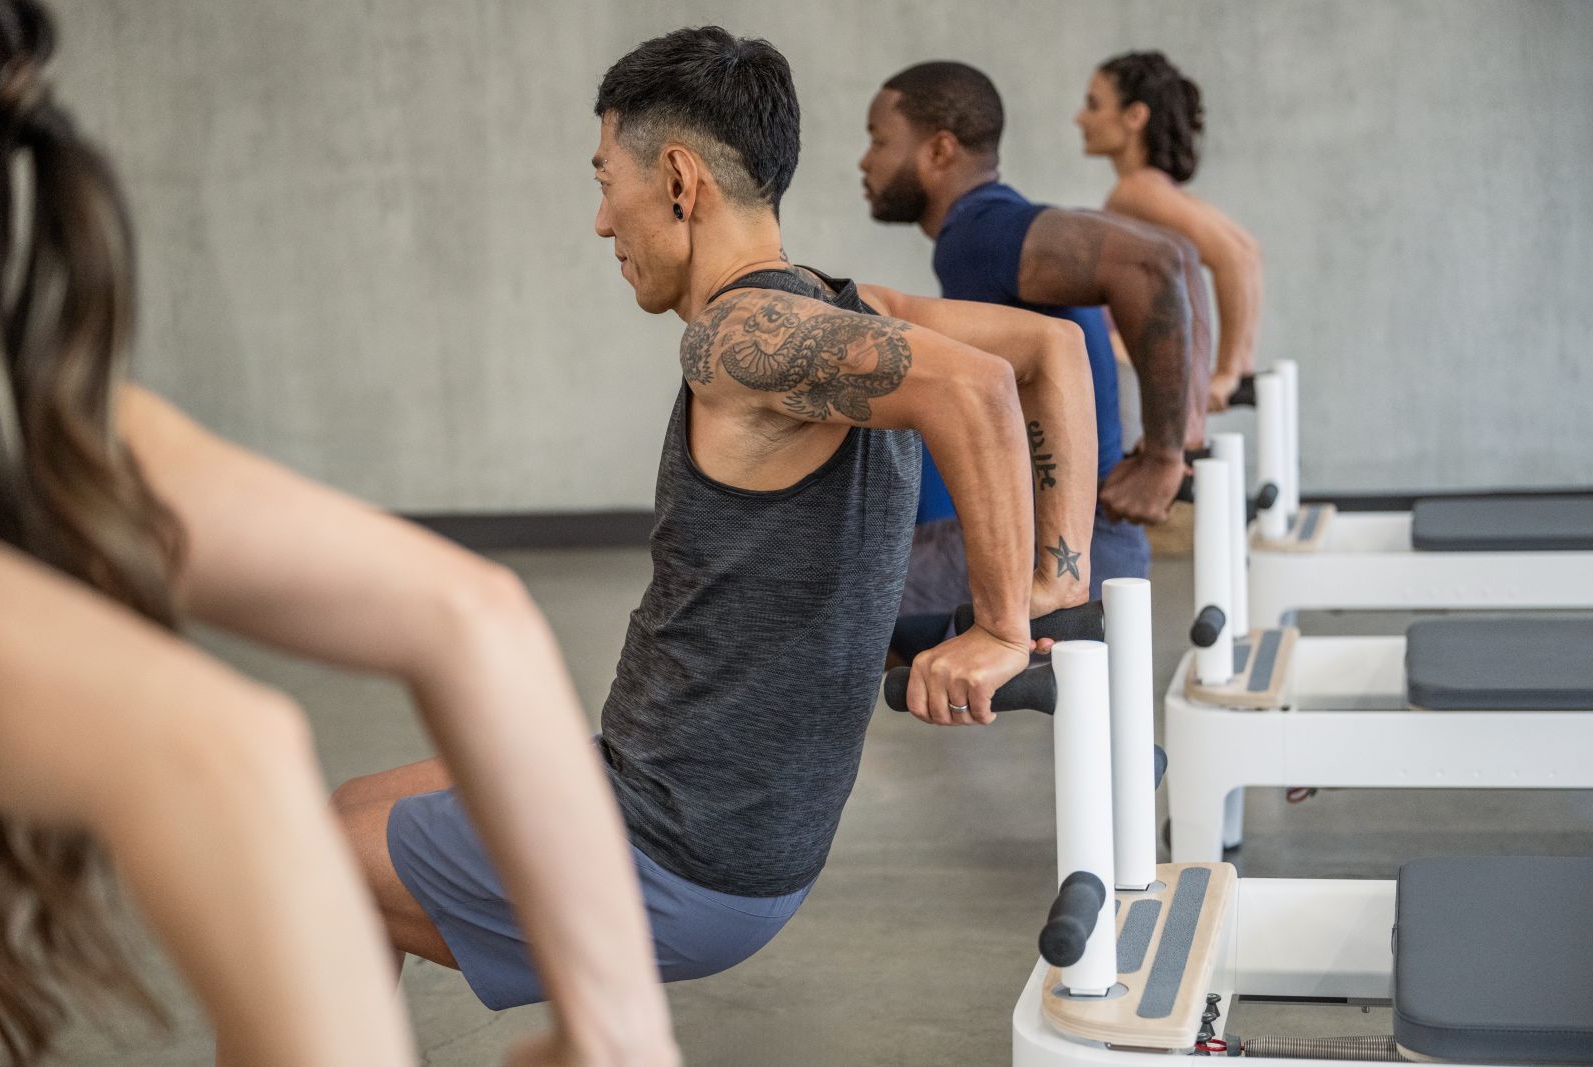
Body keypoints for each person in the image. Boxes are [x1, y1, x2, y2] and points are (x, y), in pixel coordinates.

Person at [337, 24, 1099, 1012]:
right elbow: (1050, 353)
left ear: (678, 182)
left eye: (606, 180)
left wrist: (1001, 626)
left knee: (311, 858)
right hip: (664, 792)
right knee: (350, 811)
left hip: (671, 849)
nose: (601, 222)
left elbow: (978, 387)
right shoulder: (854, 305)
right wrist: (1056, 576)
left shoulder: (737, 338)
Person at [0, 3, 674, 1065]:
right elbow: (229, 748)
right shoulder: (49, 417)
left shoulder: (47, 425)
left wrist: (614, 1039)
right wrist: (617, 1033)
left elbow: (465, 616)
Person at [860, 61, 1212, 648]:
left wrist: (1164, 456)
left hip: (1072, 553)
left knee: (819, 585)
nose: (864, 162)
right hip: (1093, 545)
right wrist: (1186, 427)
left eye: (878, 141)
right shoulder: (995, 223)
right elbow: (1179, 256)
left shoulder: (980, 232)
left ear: (939, 150)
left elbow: (1157, 264)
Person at [1077, 51, 1263, 413]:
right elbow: (1249, 251)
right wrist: (1240, 364)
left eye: (1093, 105)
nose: (1080, 118)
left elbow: (1237, 257)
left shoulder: (1135, 191)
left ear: (1135, 116)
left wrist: (1228, 373)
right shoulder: (1155, 189)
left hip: (1131, 384)